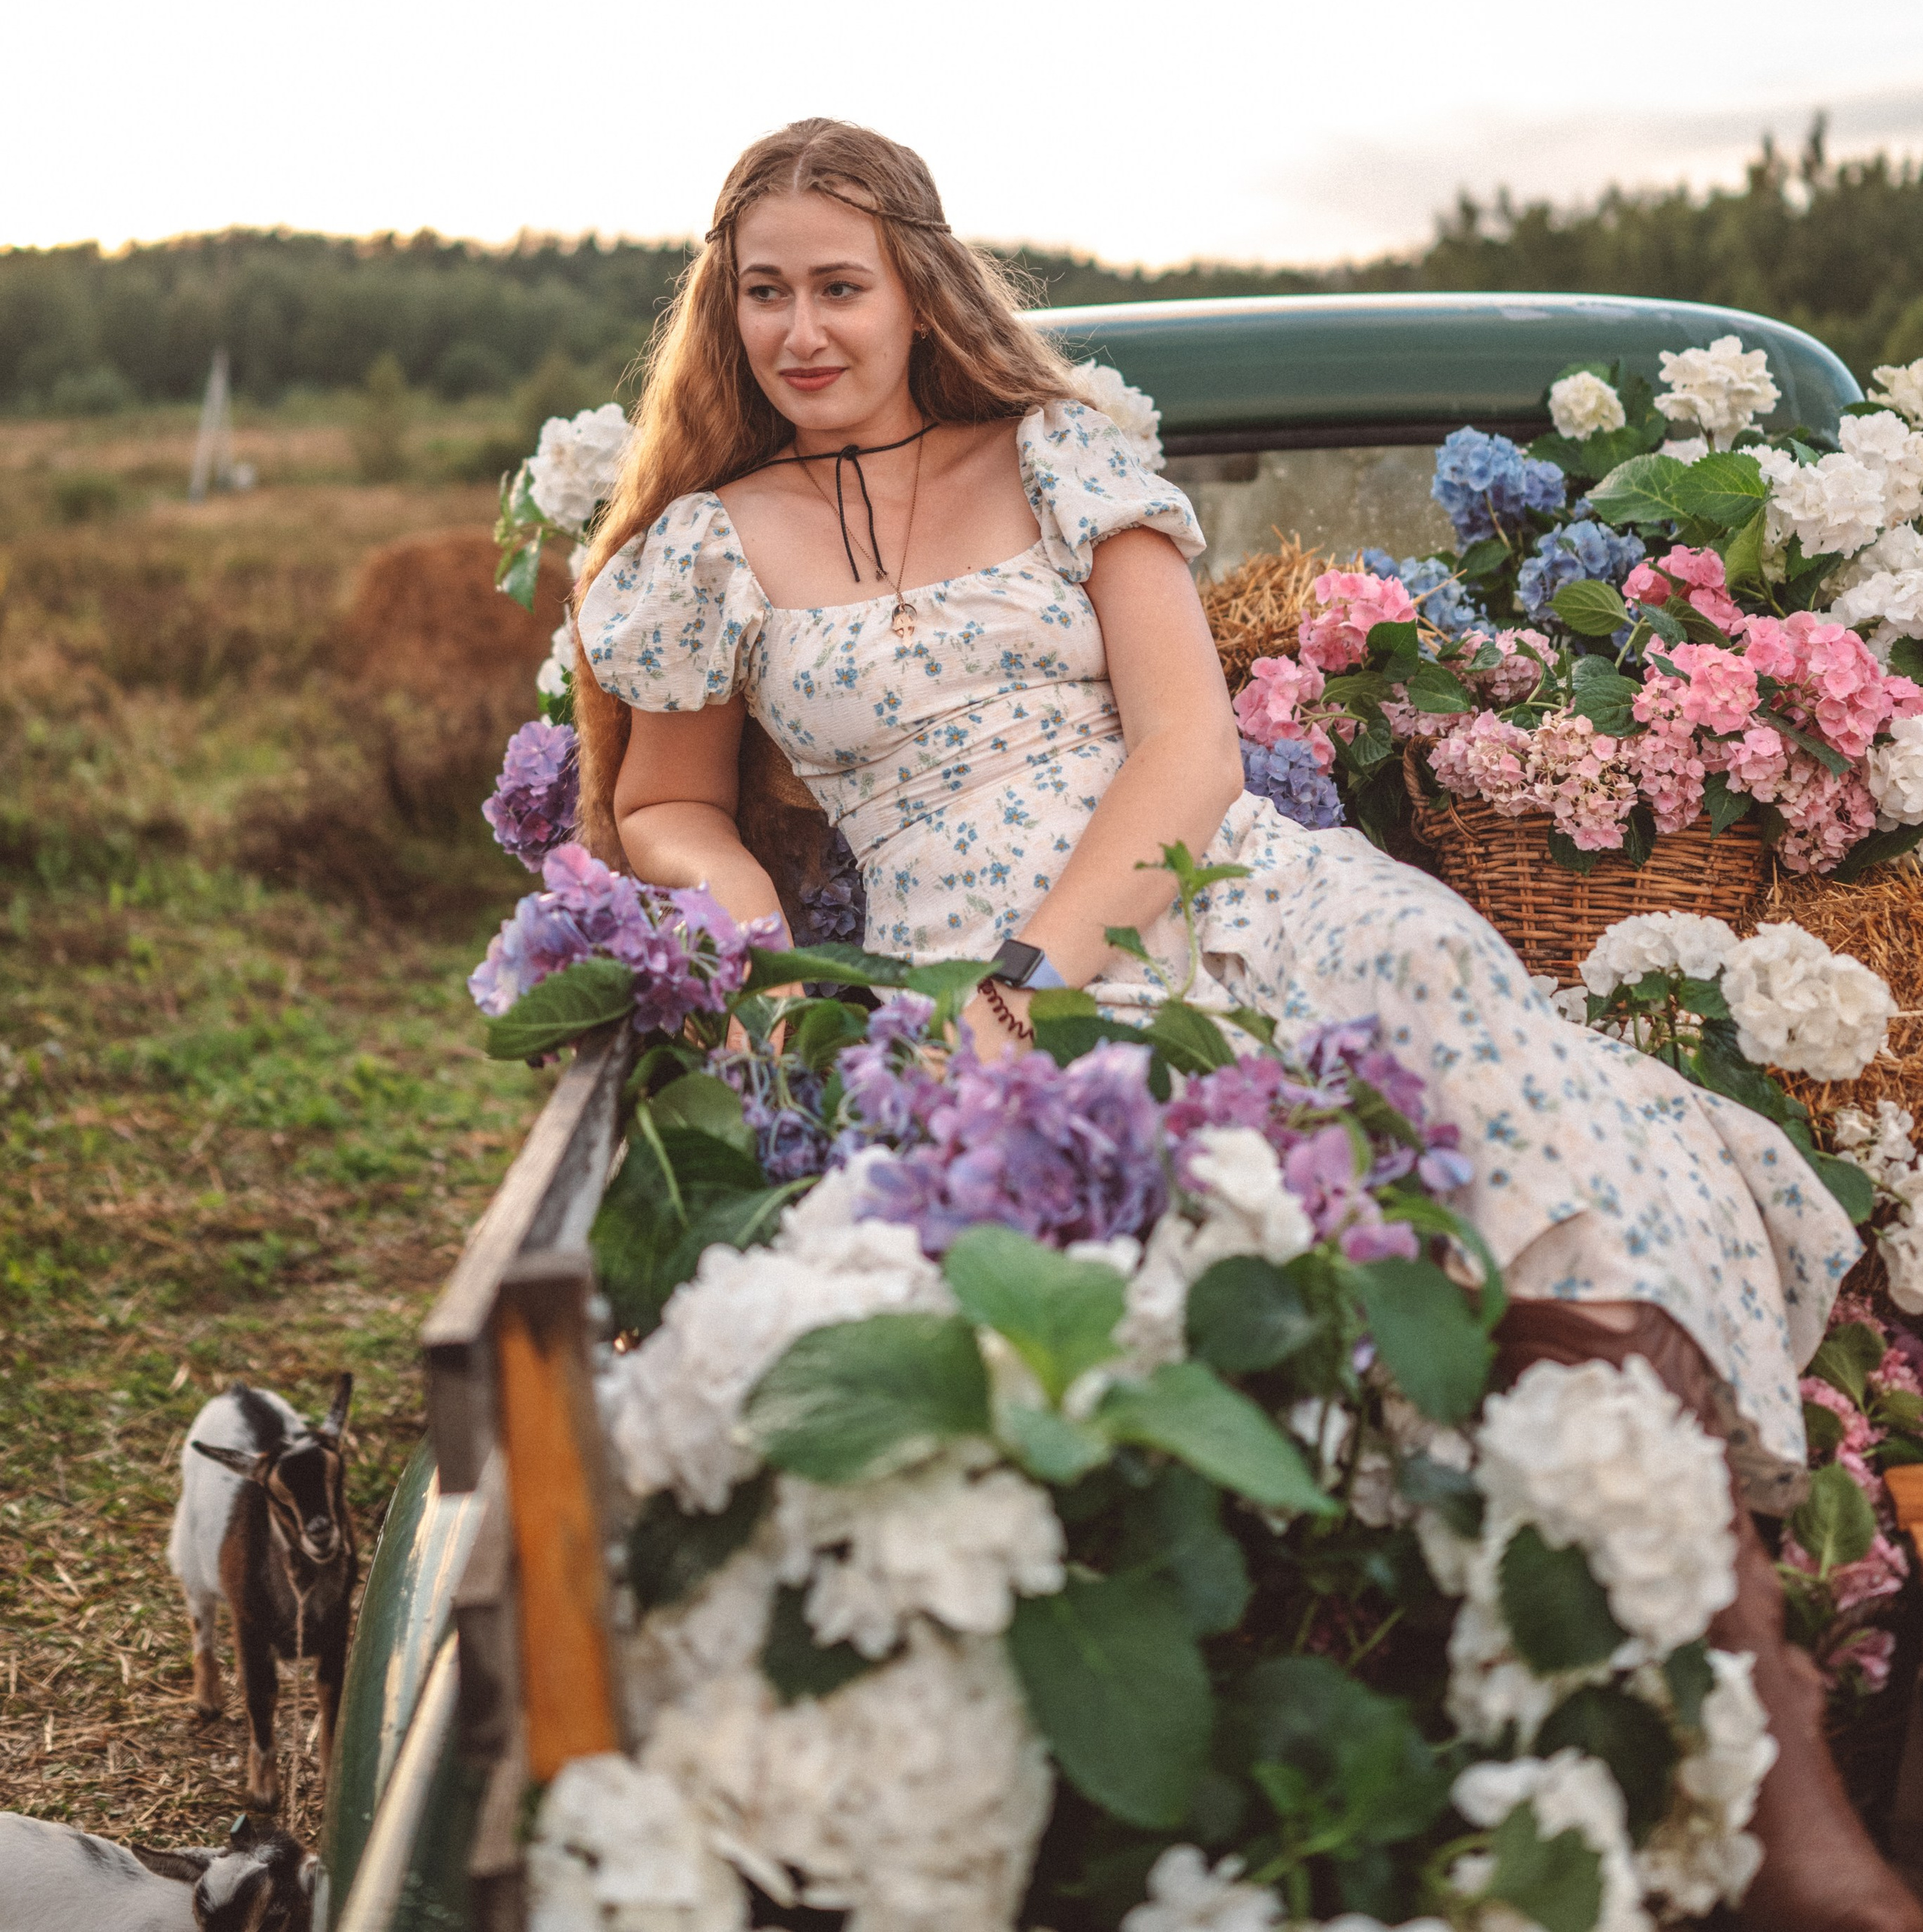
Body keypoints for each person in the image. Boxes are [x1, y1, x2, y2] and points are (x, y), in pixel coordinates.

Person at [572, 116, 1915, 1932]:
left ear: (915, 292)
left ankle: (1747, 1760)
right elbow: (665, 800)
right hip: (936, 952)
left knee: (1486, 1081)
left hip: (1200, 886)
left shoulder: (1059, 460)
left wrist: (1033, 974)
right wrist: (749, 935)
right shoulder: (707, 546)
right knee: (1156, 1227)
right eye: (761, 295)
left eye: (837, 286)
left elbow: (1189, 748)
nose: (799, 329)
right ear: (720, 318)